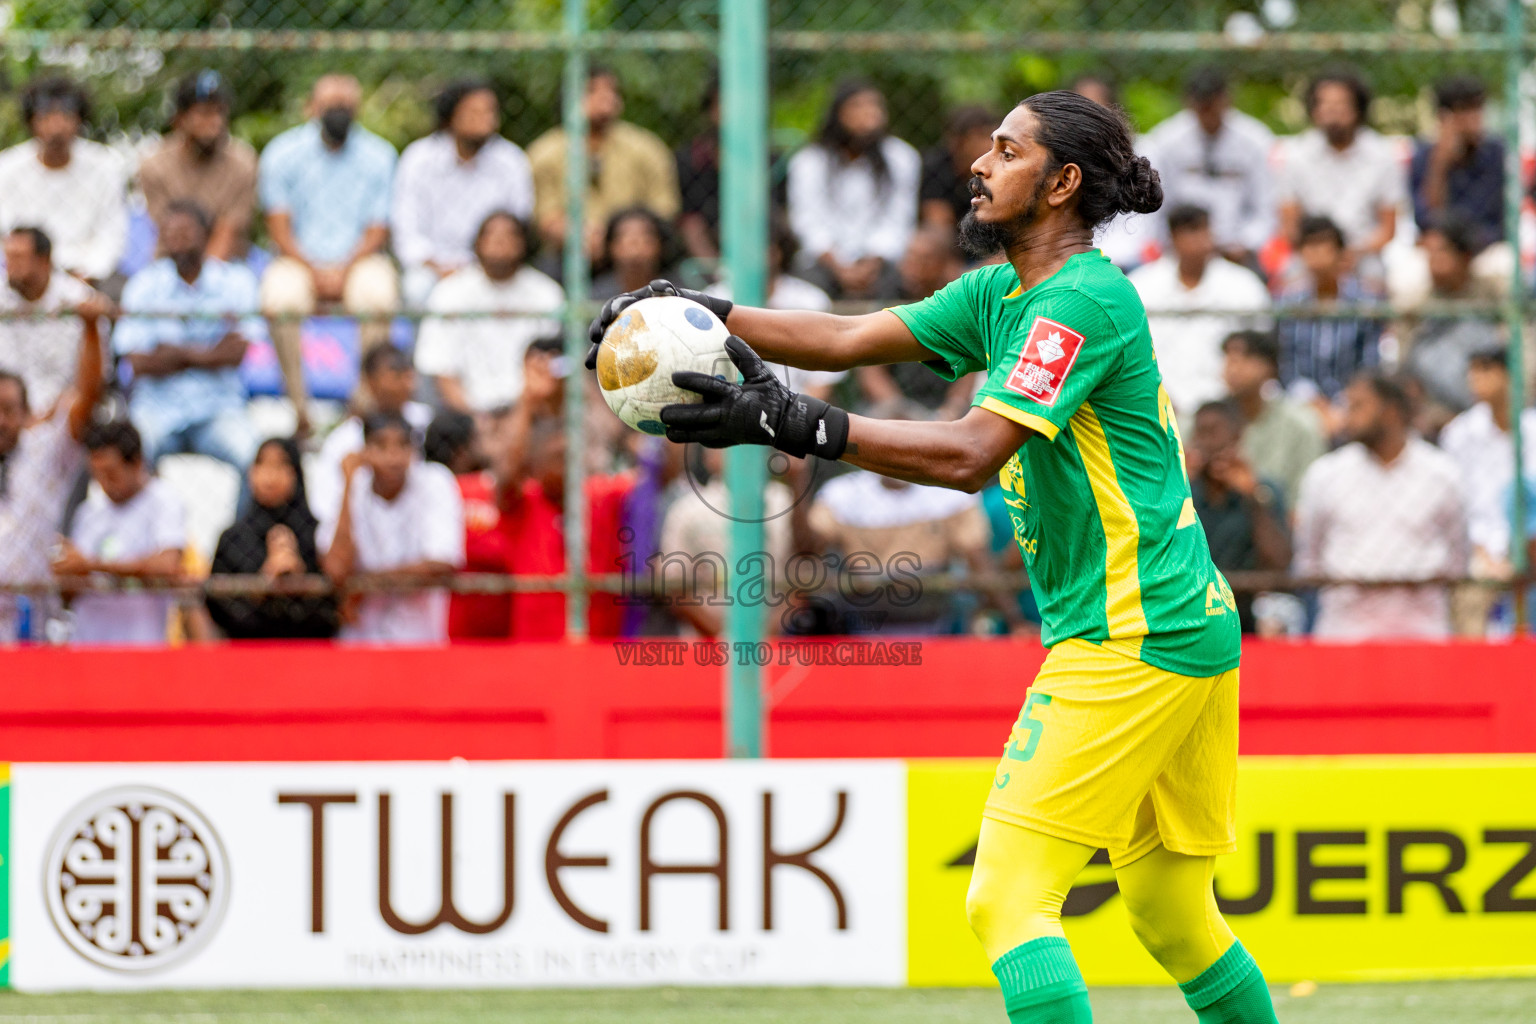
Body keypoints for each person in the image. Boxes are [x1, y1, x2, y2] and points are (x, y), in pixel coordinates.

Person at [589, 92, 1279, 1023]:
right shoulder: (1004, 293)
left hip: (1133, 631)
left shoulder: (1079, 298)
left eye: (1007, 150)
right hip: (1180, 624)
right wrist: (701, 313)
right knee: (1170, 914)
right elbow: (844, 337)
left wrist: (796, 422)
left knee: (1006, 898)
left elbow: (968, 455)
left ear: (1063, 182)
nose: (980, 165)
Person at [258, 74, 399, 428]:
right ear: (312, 108)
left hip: (361, 259)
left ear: (358, 110)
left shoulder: (379, 155)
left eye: (346, 107)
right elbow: (278, 225)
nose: (338, 113)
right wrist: (314, 270)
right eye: (330, 106)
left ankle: (362, 405)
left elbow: (377, 228)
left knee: (378, 298)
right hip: (296, 258)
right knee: (279, 301)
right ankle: (300, 409)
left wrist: (344, 269)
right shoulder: (282, 152)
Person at [1293, 373, 1468, 640]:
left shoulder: (1442, 474)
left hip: (1422, 636)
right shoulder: (1325, 475)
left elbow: (1458, 559)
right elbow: (1309, 559)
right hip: (1344, 635)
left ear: (1391, 411)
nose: (1347, 416)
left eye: (1358, 406)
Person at [112, 201, 262, 474]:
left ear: (206, 235)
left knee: (254, 460)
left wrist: (173, 353)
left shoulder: (236, 281)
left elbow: (237, 353)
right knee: (128, 459)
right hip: (156, 410)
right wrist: (209, 352)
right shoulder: (143, 286)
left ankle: (241, 521)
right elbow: (138, 363)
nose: (177, 240)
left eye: (186, 232)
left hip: (220, 408)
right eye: (170, 233)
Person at [499, 349, 632, 639]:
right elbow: (506, 474)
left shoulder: (600, 496)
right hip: (534, 655)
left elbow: (653, 478)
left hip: (599, 653)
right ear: (535, 466)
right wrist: (527, 401)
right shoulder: (524, 504)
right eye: (556, 457)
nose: (566, 464)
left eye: (571, 455)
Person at [0, 293, 107, 642]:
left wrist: (91, 331)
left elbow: (87, 396)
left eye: (8, 410)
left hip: (34, 622)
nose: (0, 421)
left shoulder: (43, 451)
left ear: (26, 415)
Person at [319, 412, 464, 644]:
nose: (393, 457)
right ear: (364, 451)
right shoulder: (354, 485)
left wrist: (364, 585)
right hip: (360, 642)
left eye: (402, 446)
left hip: (420, 642)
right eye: (381, 446)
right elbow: (336, 568)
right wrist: (348, 484)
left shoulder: (435, 481)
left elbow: (441, 563)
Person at [391, 79, 535, 309]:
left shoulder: (511, 161)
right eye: (474, 112)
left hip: (494, 268)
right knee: (417, 290)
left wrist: (484, 266)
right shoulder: (419, 159)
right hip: (432, 270)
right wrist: (439, 268)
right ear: (451, 117)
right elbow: (407, 233)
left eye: (489, 112)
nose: (485, 120)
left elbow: (519, 226)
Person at [1127, 204, 1270, 419]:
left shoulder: (1244, 286)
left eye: (1202, 230)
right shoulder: (1141, 286)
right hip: (1155, 406)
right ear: (1173, 238)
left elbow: (1261, 357)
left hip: (1230, 409)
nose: (1198, 240)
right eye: (1189, 232)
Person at [414, 211, 563, 415]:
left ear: (524, 243)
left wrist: (521, 414)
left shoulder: (547, 294)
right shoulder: (448, 293)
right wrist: (477, 421)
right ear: (477, 243)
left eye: (510, 235)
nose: (500, 242)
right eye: (491, 235)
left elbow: (553, 367)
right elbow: (441, 371)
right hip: (465, 415)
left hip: (531, 411)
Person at [53, 420, 186, 646]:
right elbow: (68, 596)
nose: (104, 484)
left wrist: (92, 566)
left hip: (140, 648)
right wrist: (68, 573)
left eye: (111, 473)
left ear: (136, 463)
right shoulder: (88, 512)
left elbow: (166, 566)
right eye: (97, 475)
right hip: (87, 647)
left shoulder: (164, 501)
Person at [527, 66, 680, 260]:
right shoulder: (545, 152)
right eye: (592, 90)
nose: (605, 98)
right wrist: (583, 237)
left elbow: (664, 209)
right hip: (566, 255)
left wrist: (621, 238)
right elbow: (544, 216)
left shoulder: (647, 148)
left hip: (634, 254)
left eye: (611, 91)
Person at [786, 80, 920, 300]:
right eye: (858, 106)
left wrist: (871, 262)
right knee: (809, 288)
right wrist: (840, 268)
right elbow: (806, 222)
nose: (870, 115)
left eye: (875, 106)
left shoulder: (901, 157)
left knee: (901, 282)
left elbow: (899, 219)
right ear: (838, 114)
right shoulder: (809, 161)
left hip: (881, 262)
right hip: (824, 262)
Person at [1437, 345, 1536, 635]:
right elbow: (1456, 506)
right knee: (1471, 593)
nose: (1475, 379)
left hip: (1531, 543)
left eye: (1486, 370)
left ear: (1510, 375)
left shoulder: (1533, 428)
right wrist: (1485, 555)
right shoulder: (1460, 433)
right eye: (1473, 372)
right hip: (1478, 549)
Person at [1140, 67, 1276, 268]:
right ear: (1189, 103)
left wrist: (1246, 243)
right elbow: (1156, 205)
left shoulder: (1255, 141)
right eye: (1201, 107)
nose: (1208, 114)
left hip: (1237, 250)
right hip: (1179, 249)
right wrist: (1171, 242)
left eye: (1212, 106)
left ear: (1226, 100)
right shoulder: (1166, 142)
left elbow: (1266, 208)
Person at [206, 437, 338, 639]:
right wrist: (263, 583)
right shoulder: (233, 539)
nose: (269, 475)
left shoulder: (318, 534)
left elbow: (332, 611)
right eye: (261, 464)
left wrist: (300, 580)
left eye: (279, 465)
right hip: (248, 651)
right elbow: (219, 609)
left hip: (310, 650)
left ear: (296, 473)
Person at [0, 77, 126, 286]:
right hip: (24, 276)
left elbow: (112, 236)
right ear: (31, 121)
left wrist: (89, 272)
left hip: (88, 276)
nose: (56, 126)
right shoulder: (7, 167)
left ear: (80, 119)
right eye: (46, 116)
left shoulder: (106, 166)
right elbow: (6, 233)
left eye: (66, 115)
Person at [1277, 69, 1403, 269]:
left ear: (1358, 109)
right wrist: (1318, 254)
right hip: (1309, 257)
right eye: (1325, 105)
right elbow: (1289, 225)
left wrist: (1353, 254)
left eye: (1340, 105)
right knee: (1289, 287)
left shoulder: (1382, 156)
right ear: (1314, 110)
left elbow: (1388, 229)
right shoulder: (1296, 156)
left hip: (1363, 256)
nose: (1332, 113)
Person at [1186, 401, 1291, 633]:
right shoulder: (1184, 491)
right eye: (1200, 433)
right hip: (1190, 615)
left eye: (1214, 433)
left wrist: (1252, 497)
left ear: (1237, 436)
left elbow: (1280, 561)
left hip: (1246, 620)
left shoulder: (1265, 490)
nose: (1206, 443)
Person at [1396, 213, 1502, 434]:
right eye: (1429, 254)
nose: (1434, 263)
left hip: (1494, 412)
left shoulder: (1494, 295)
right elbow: (1406, 370)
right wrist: (1437, 417)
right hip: (1437, 418)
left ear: (1465, 256)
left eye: (1442, 252)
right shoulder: (1417, 305)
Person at [138, 69, 259, 263]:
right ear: (179, 120)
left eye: (220, 112)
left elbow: (228, 232)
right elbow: (172, 234)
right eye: (205, 113)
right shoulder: (155, 166)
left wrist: (201, 288)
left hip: (228, 265)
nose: (216, 122)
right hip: (171, 262)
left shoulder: (242, 162)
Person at [855, 226, 973, 418]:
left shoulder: (958, 301)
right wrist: (900, 410)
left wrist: (952, 408)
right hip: (895, 407)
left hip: (942, 410)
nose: (911, 266)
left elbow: (970, 368)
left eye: (923, 260)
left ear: (943, 264)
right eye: (909, 257)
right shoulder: (889, 296)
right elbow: (871, 373)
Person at [308, 344, 434, 526]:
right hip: (362, 532)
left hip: (422, 526)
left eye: (408, 375)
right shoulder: (343, 440)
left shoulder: (428, 423)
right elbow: (324, 507)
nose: (405, 384)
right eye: (396, 375)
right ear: (370, 380)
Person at [1276, 215, 1384, 406]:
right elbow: (1286, 364)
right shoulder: (1288, 304)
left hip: (1352, 402)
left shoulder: (1365, 303)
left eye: (1323, 245)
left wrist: (1345, 403)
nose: (1316, 253)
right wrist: (1312, 402)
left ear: (1341, 253)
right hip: (1301, 402)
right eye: (1309, 246)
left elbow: (1369, 364)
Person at [1219, 329, 1324, 508]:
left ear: (1270, 367)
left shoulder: (1301, 424)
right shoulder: (1206, 420)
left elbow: (1307, 499)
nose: (1233, 367)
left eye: (1245, 358)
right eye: (1229, 358)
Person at [0, 227, 97, 414]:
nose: (10, 267)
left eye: (18, 258)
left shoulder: (79, 300)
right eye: (8, 257)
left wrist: (47, 418)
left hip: (64, 415)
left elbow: (92, 380)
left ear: (43, 261)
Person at [1410, 76, 1504, 254]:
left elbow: (1488, 218)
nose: (1474, 118)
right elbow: (1425, 218)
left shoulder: (1496, 153)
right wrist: (1439, 165)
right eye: (1465, 110)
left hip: (1484, 246)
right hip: (1440, 248)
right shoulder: (1424, 155)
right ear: (1444, 117)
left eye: (1478, 109)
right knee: (1408, 276)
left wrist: (1456, 244)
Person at [921, 105, 999, 230]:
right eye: (981, 135)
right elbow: (937, 220)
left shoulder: (999, 166)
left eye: (991, 136)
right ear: (958, 141)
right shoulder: (936, 167)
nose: (988, 144)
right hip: (951, 237)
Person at [675, 75, 722, 261]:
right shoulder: (689, 159)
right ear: (710, 109)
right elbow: (689, 223)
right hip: (701, 255)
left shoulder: (771, 160)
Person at [589, 207, 677, 303]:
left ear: (660, 244)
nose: (635, 248)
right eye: (625, 237)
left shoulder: (675, 294)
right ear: (611, 246)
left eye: (645, 237)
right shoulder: (596, 296)